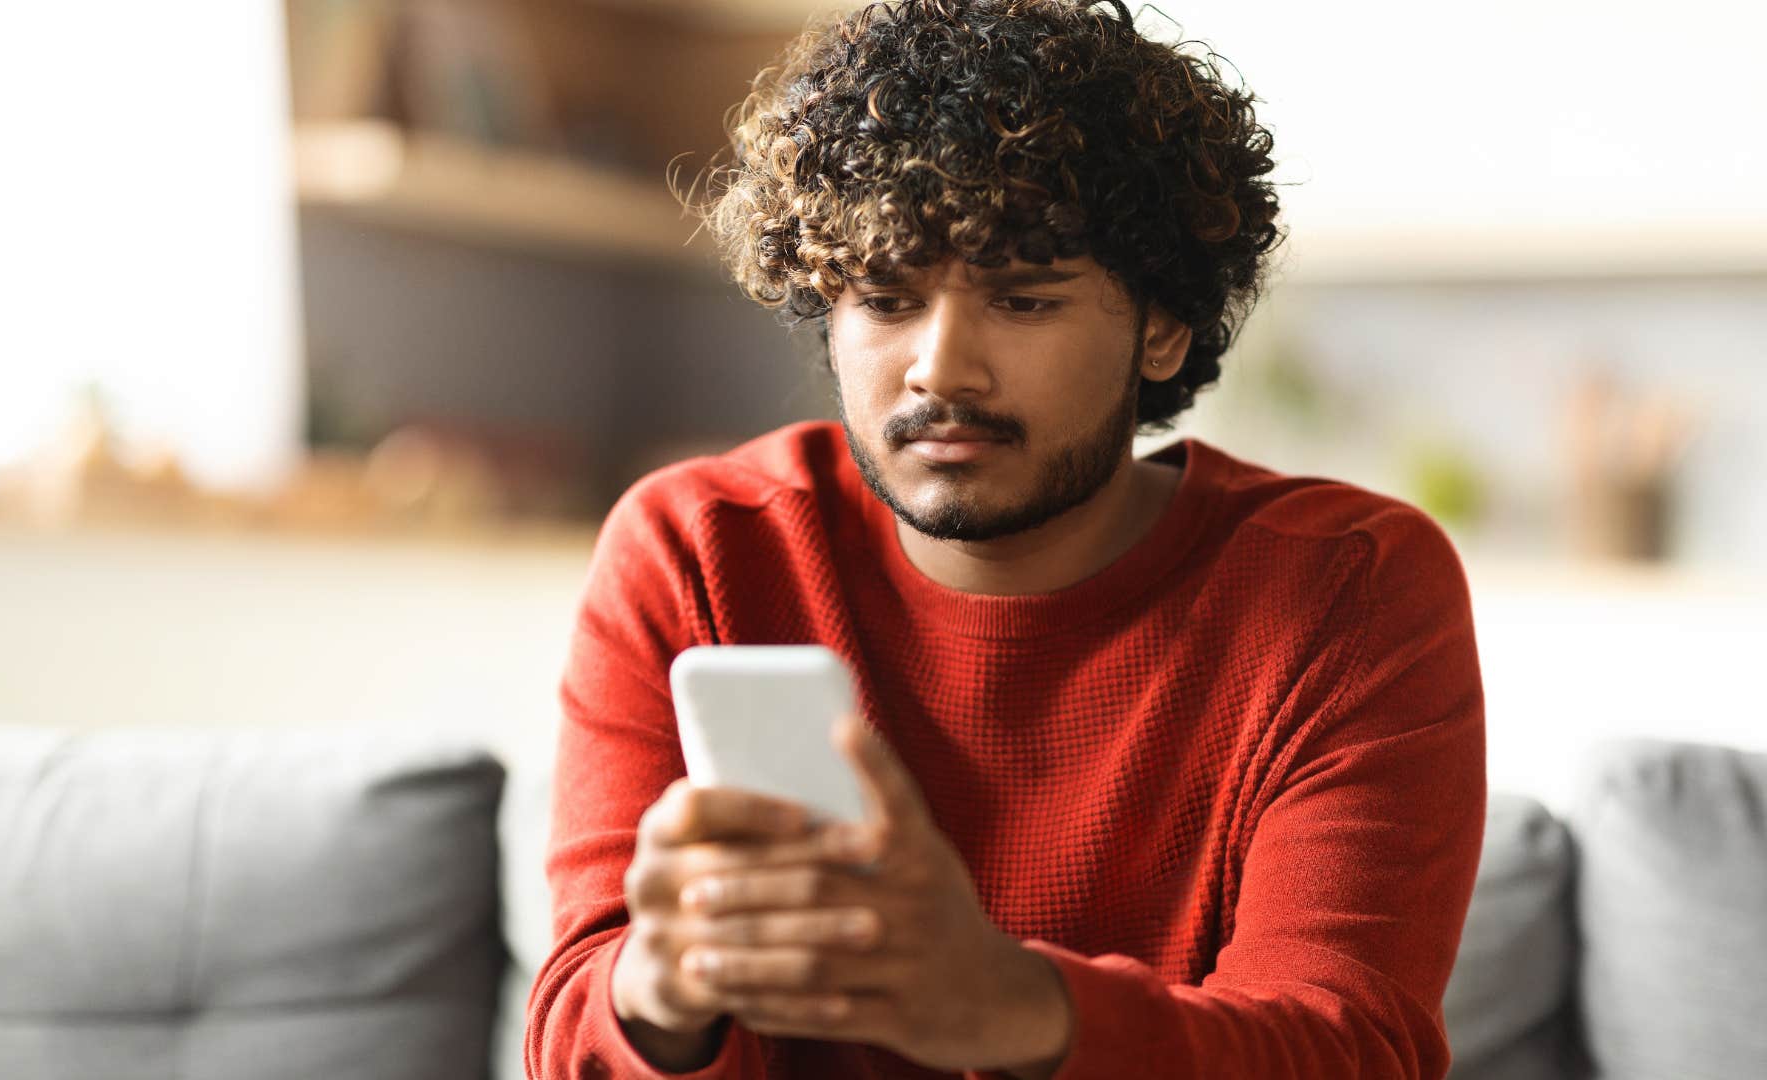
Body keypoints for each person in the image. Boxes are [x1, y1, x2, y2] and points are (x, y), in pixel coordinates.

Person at [524, 1, 1485, 1077]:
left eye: (1023, 301)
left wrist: (1002, 1005)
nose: (940, 368)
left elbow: (1349, 1047)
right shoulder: (697, 548)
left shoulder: (1345, 587)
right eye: (885, 298)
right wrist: (660, 988)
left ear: (1163, 324)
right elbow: (573, 1032)